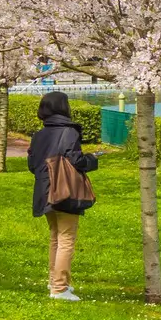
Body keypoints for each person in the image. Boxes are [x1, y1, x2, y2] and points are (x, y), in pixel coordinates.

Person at [26, 91, 98, 301]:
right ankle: (59, 288)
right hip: (65, 191)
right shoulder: (69, 132)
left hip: (45, 191)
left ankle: (55, 281)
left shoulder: (38, 135)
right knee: (66, 238)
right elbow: (75, 160)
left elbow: (32, 165)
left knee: (55, 237)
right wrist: (92, 160)